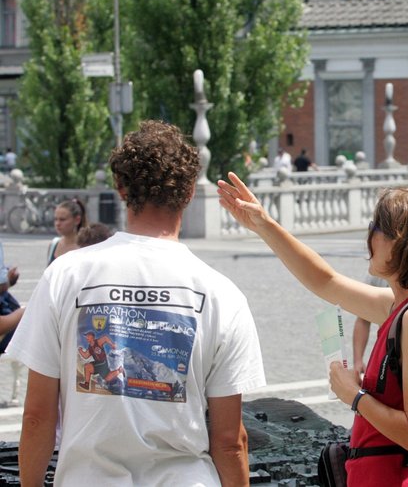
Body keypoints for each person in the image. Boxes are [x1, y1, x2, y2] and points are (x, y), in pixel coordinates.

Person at [8, 120, 265, 486]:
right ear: (190, 191)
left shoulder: (65, 275)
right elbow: (230, 442)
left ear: (120, 187)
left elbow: (36, 417)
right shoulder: (221, 294)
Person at [218, 176, 408, 485]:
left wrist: (354, 396)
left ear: (401, 243)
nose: (369, 237)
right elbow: (327, 282)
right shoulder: (406, 307)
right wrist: (265, 225)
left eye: (376, 228)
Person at [47, 198, 88, 264]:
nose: (57, 223)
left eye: (62, 219)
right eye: (55, 219)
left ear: (77, 220)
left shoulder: (86, 247)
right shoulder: (53, 245)